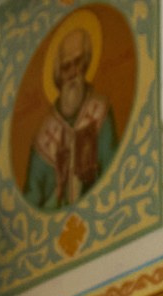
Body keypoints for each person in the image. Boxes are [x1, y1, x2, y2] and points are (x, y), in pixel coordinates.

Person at [23, 19, 116, 210]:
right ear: (58, 75)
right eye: (66, 67)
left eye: (78, 63)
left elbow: (112, 170)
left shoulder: (100, 111)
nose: (74, 73)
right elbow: (32, 199)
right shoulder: (44, 137)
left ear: (86, 63)